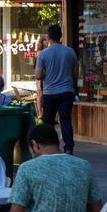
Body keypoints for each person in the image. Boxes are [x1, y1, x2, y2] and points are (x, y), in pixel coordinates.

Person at [36, 23, 78, 153]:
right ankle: (69, 147)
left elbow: (38, 75)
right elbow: (75, 73)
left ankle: (50, 147)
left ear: (48, 37)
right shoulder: (70, 51)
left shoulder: (43, 54)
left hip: (50, 92)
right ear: (61, 36)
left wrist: (46, 73)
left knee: (48, 122)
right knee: (65, 120)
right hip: (66, 91)